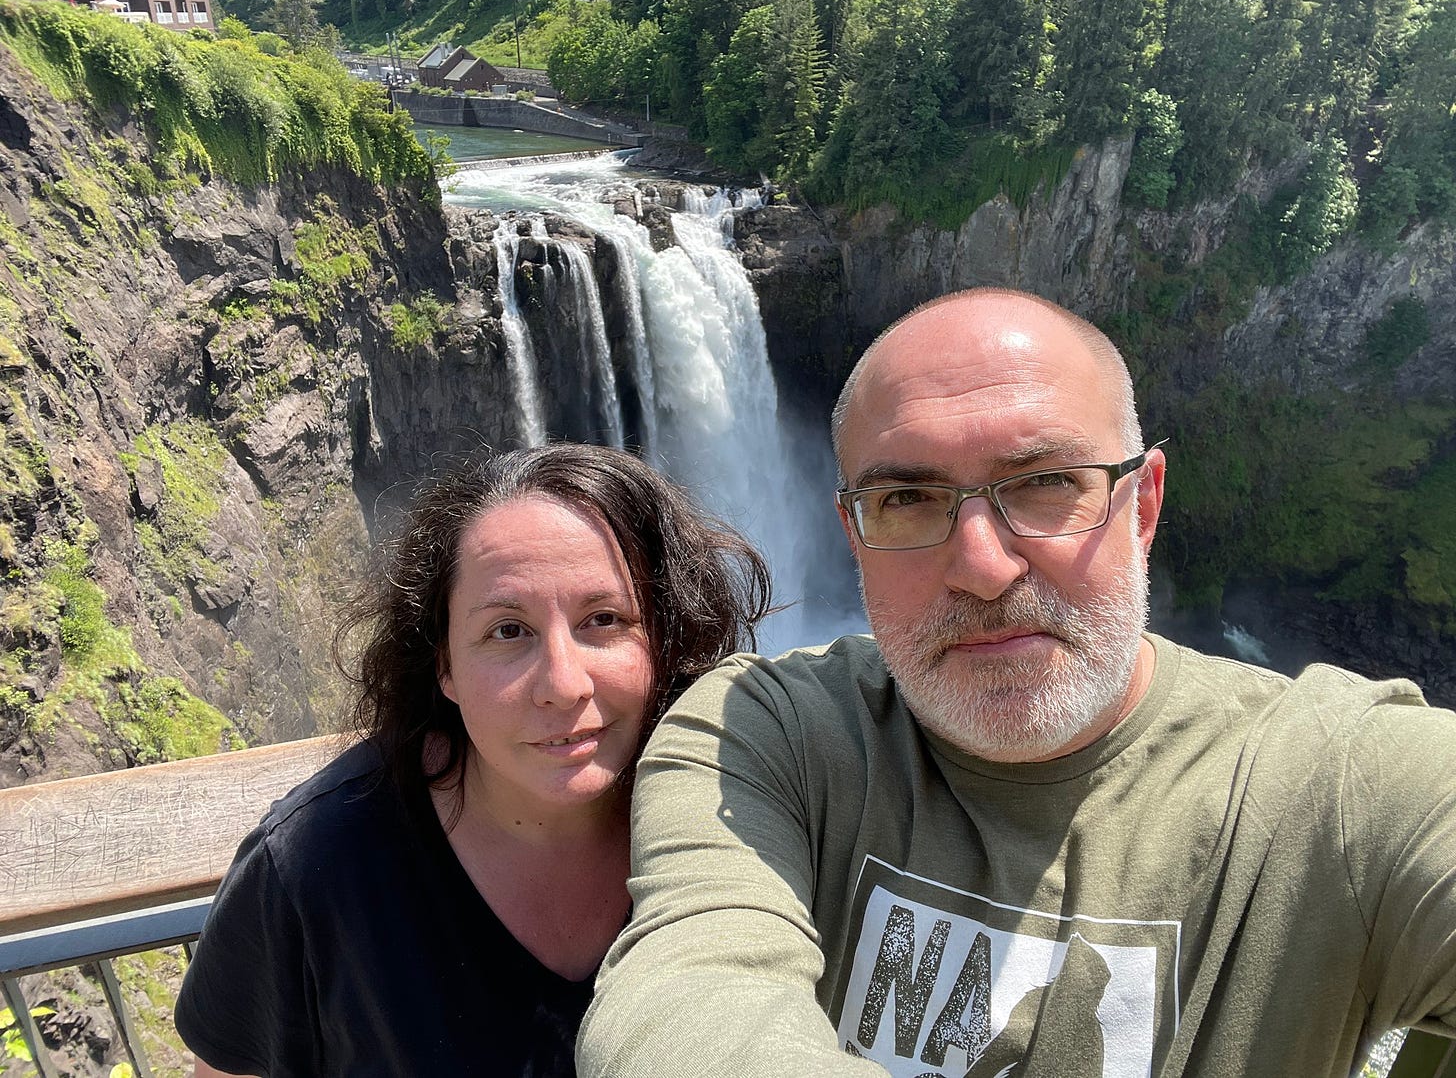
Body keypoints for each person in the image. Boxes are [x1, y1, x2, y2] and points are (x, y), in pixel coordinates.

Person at [576, 288, 1456, 1078]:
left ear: (1142, 506)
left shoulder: (1339, 784)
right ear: (853, 533)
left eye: (1043, 485)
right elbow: (684, 1002)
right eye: (908, 501)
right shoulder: (759, 734)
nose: (983, 568)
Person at [175, 443, 772, 1078]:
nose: (563, 684)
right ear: (445, 666)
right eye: (508, 631)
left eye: (603, 619)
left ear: (663, 640)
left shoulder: (739, 811)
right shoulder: (314, 865)